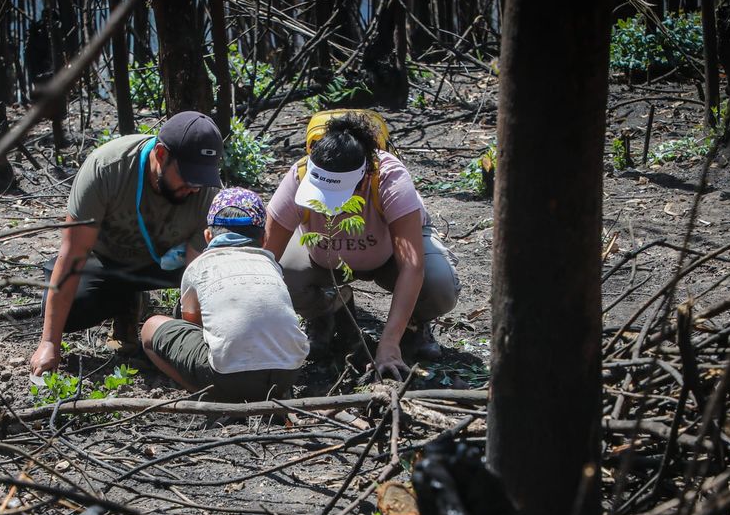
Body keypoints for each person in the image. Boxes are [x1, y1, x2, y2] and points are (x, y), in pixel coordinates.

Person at [264, 112, 460, 380]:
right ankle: (327, 311)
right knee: (285, 277)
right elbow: (264, 258)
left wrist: (388, 344)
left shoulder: (389, 178)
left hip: (388, 256)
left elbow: (412, 266)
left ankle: (413, 323)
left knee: (440, 285)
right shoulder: (298, 176)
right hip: (324, 258)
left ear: (364, 176)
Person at [29, 111, 222, 375]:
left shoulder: (208, 192)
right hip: (111, 262)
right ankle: (126, 304)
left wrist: (193, 341)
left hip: (170, 265)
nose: (195, 188)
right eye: (188, 177)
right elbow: (72, 254)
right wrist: (49, 343)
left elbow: (200, 274)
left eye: (201, 179)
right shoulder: (107, 169)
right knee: (71, 310)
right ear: (162, 154)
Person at [140, 188, 309, 402]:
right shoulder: (271, 265)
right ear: (264, 238)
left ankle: (212, 396)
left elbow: (193, 326)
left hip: (229, 378)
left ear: (208, 236)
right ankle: (265, 393)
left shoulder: (199, 266)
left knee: (150, 328)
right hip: (287, 374)